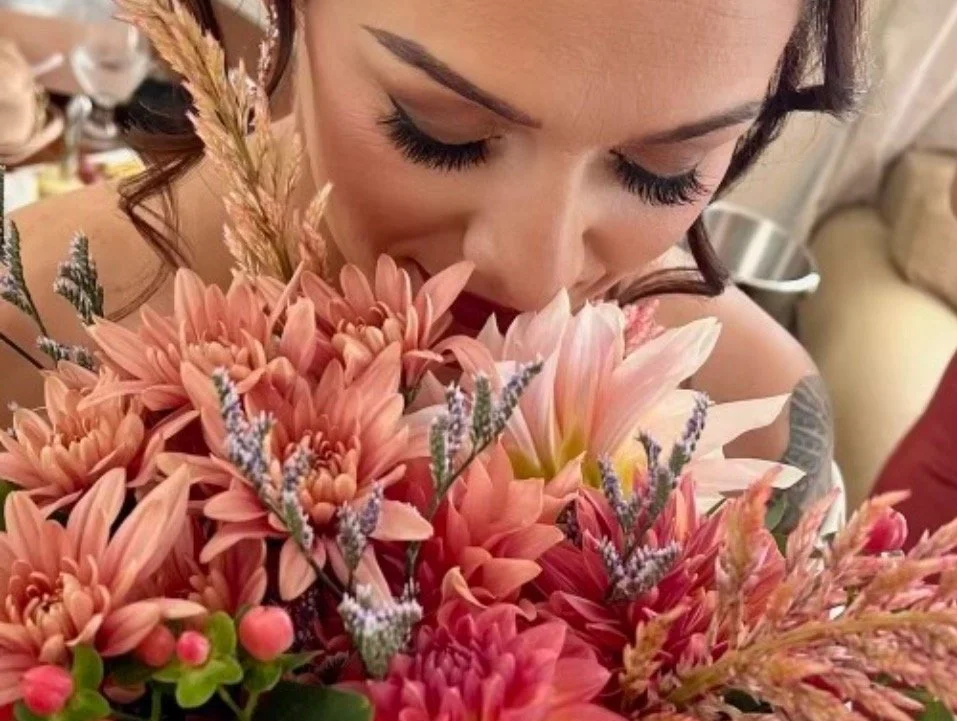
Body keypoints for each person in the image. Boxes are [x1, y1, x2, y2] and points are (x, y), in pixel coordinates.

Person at [0, 0, 856, 515]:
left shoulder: (756, 415)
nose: (538, 273)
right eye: (440, 132)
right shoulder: (25, 335)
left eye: (664, 169)